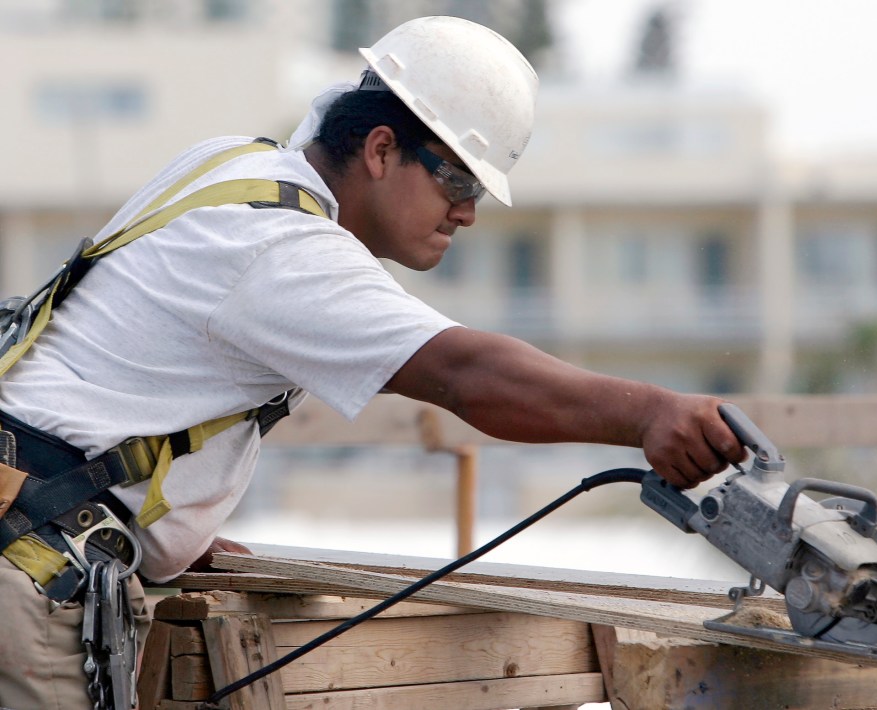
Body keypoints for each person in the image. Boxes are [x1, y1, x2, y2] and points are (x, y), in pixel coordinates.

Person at [0, 15, 745, 709]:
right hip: (31, 569)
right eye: (458, 181)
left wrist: (166, 529)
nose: (467, 213)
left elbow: (129, 373)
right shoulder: (286, 253)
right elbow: (469, 374)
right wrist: (650, 413)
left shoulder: (230, 167)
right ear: (382, 149)